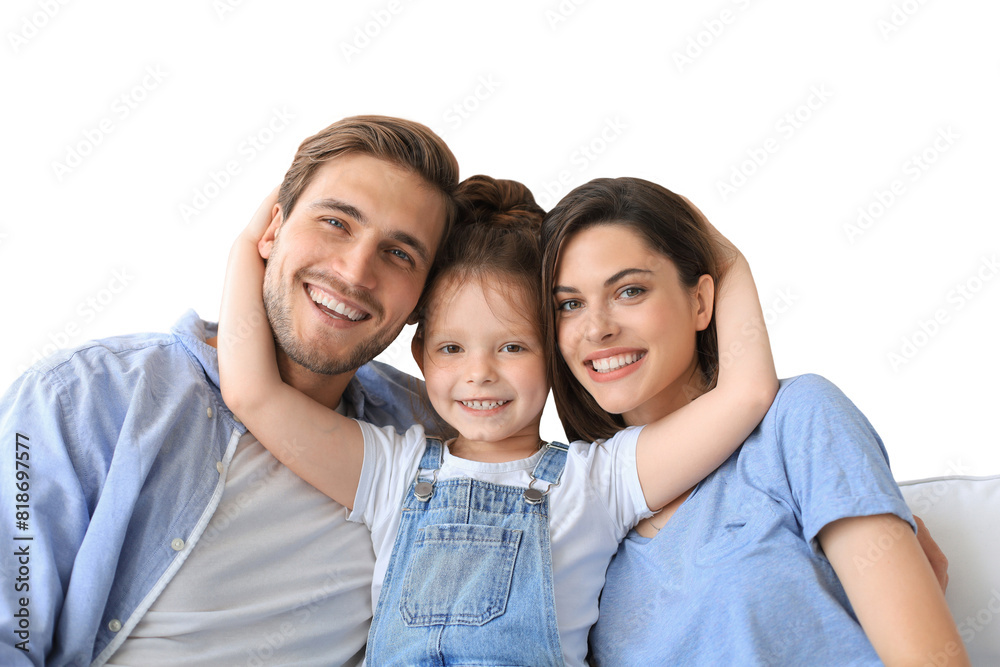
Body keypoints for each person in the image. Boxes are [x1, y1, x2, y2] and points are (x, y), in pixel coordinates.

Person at [217, 172, 778, 665]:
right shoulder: (392, 471)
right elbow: (252, 394)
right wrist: (250, 242)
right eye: (452, 349)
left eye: (512, 348)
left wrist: (723, 256)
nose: (479, 374)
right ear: (419, 356)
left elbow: (746, 393)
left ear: (555, 355)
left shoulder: (601, 481)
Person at [0, 115, 460, 667]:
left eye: (400, 254)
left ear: (421, 303)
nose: (355, 272)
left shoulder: (431, 440)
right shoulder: (83, 399)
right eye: (336, 222)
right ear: (272, 231)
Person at [540, 177, 969, 665]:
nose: (597, 327)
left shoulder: (799, 419)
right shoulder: (581, 507)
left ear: (701, 301)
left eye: (630, 290)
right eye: (569, 305)